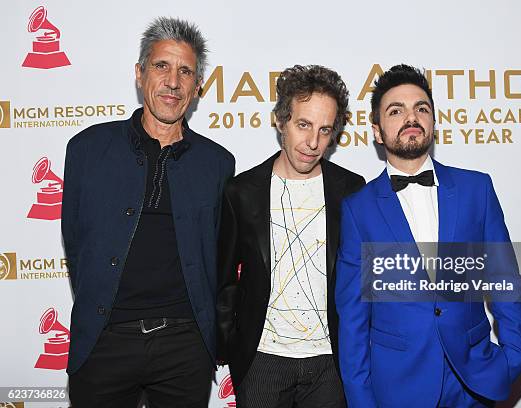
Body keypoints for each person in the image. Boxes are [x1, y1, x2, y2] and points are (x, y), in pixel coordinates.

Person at [335, 64, 521, 407]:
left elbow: (505, 281)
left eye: (421, 108)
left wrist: (513, 357)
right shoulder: (358, 210)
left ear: (433, 122)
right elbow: (353, 322)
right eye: (396, 111)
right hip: (397, 389)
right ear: (378, 132)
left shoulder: (477, 189)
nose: (411, 118)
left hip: (473, 385)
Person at [61, 17, 234, 407]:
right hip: (105, 342)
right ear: (139, 75)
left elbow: (218, 258)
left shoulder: (217, 163)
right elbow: (78, 242)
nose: (173, 81)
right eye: (162, 66)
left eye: (185, 71)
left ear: (197, 86)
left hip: (184, 346)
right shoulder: (87, 150)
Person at [216, 65, 365, 407]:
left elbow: (362, 280)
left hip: (332, 364)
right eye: (303, 125)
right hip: (262, 362)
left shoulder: (352, 190)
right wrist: (228, 345)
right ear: (281, 121)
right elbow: (225, 280)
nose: (313, 143)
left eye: (325, 130)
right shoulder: (242, 191)